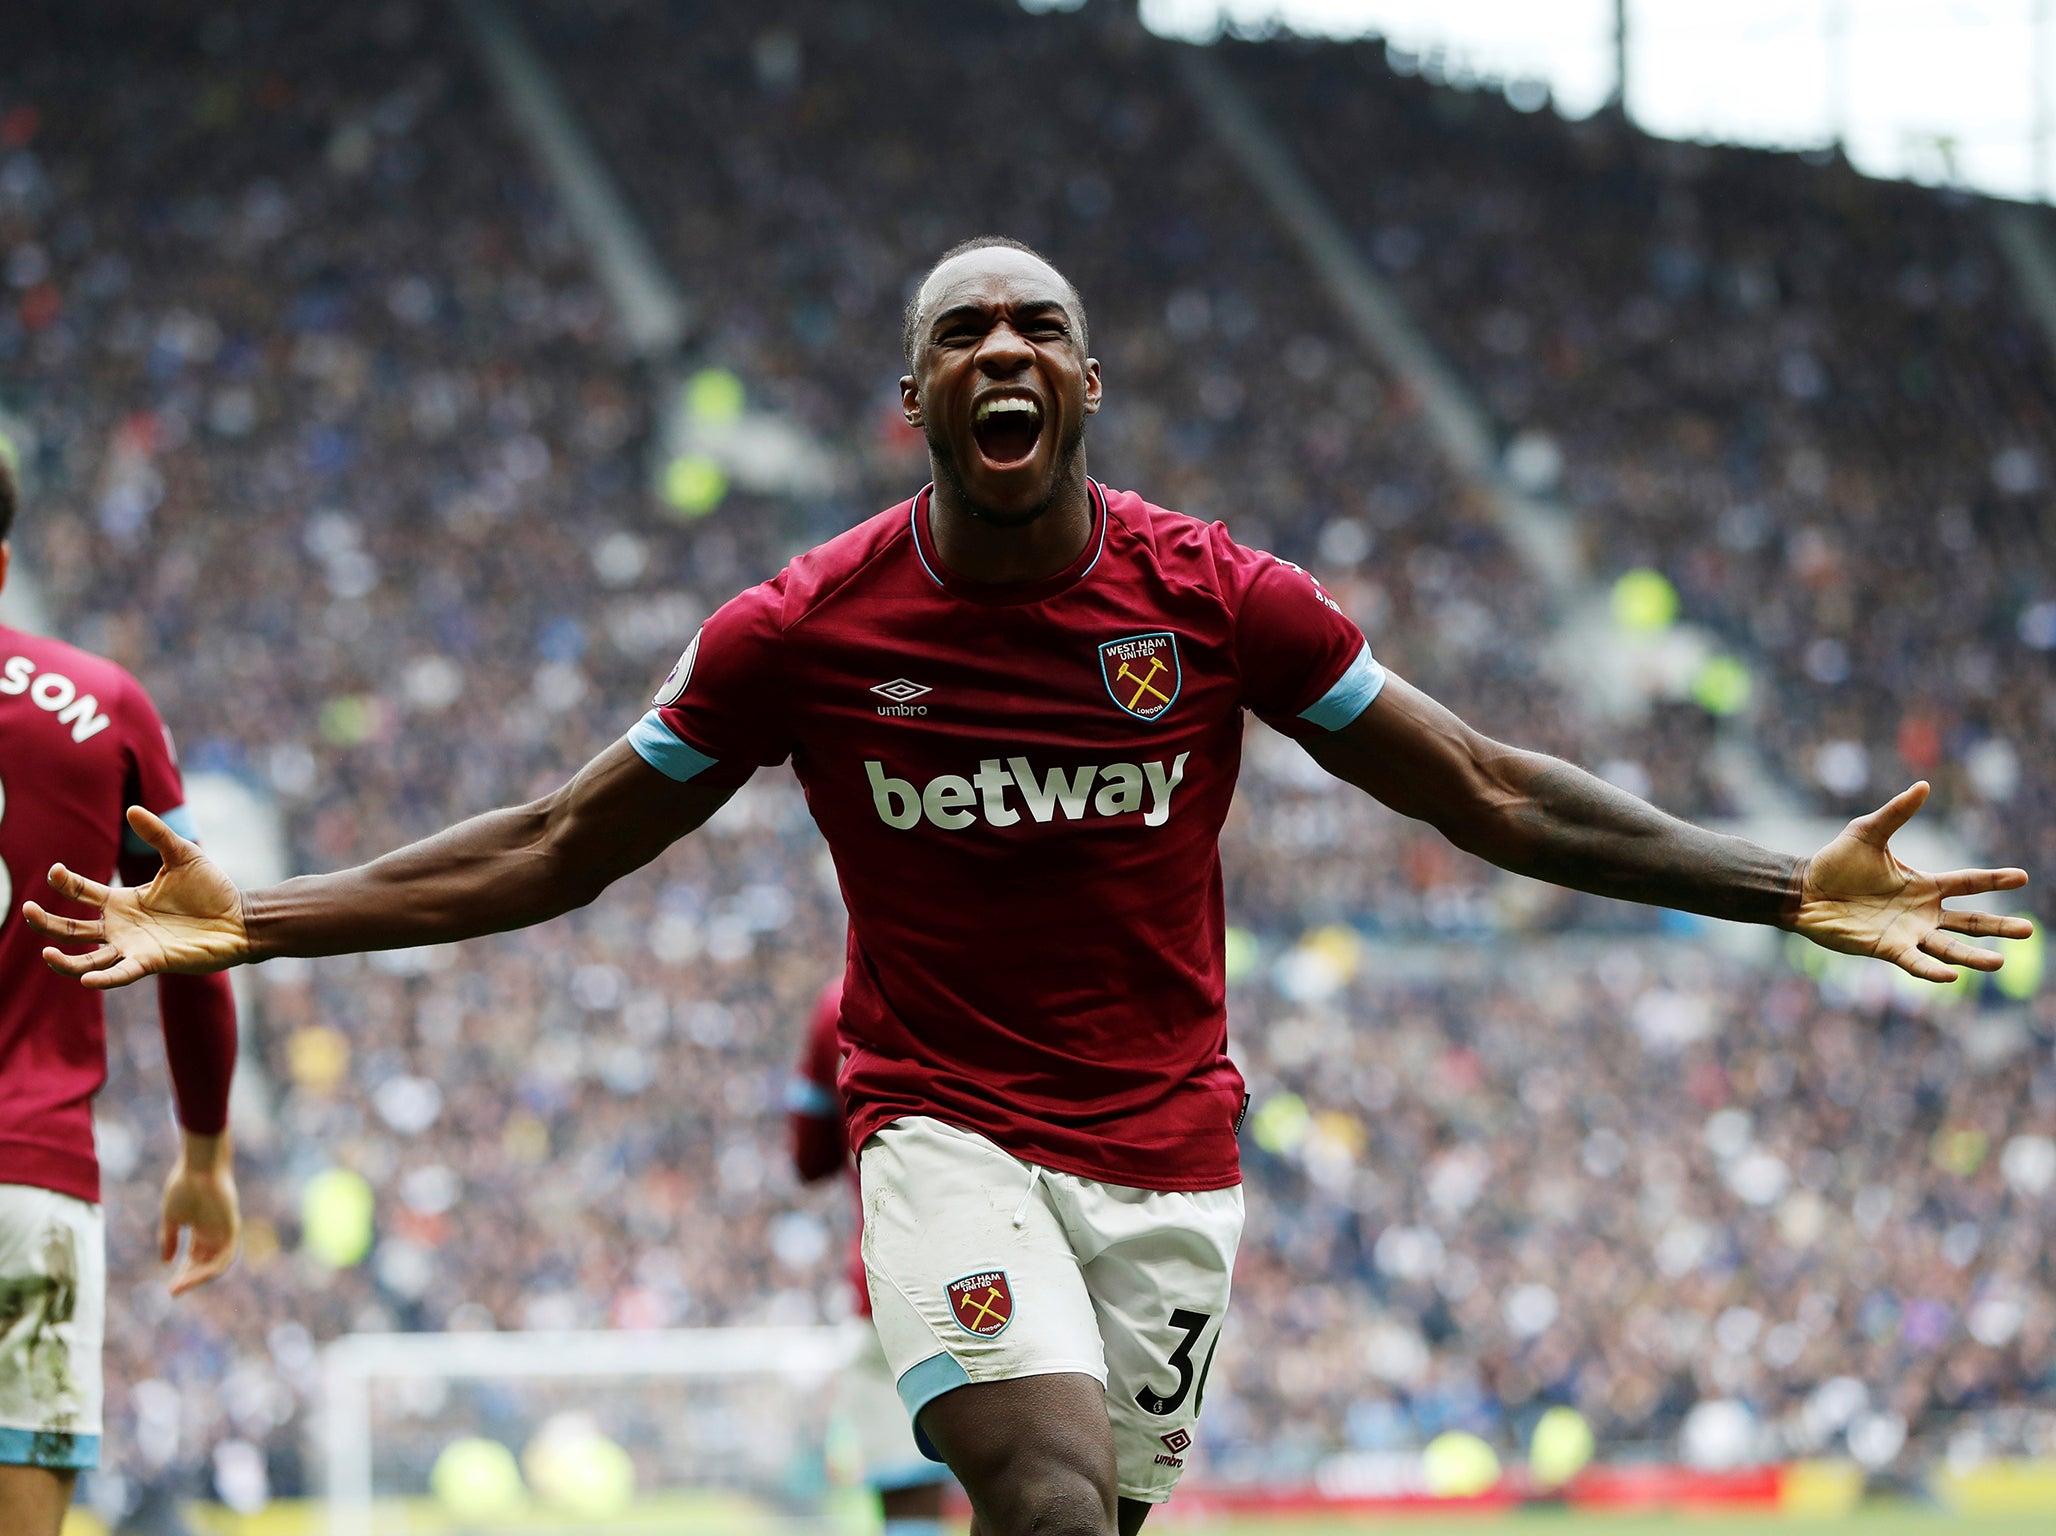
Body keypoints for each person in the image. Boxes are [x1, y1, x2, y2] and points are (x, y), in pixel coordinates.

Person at [23, 238, 2031, 1536]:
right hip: (941, 1134)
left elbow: (1490, 789)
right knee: (1048, 1505)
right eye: (961, 332)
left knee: (1079, 1523)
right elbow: (559, 846)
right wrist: (255, 917)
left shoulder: (1215, 602)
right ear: (917, 407)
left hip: (1172, 1155)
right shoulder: (797, 631)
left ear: (1081, 389)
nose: (1001, 346)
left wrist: (1784, 886)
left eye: (1036, 327)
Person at [0, 455, 241, 1536]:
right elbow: (192, 937)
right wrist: (204, 1155)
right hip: (29, 1183)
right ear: (4, 564)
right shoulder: (102, 705)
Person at [788, 976, 955, 1536]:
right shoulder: (998, 978)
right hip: (1018, 1276)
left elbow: (808, 1160)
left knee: (909, 1498)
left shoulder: (835, 1005)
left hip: (894, 1283)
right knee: (1031, 1483)